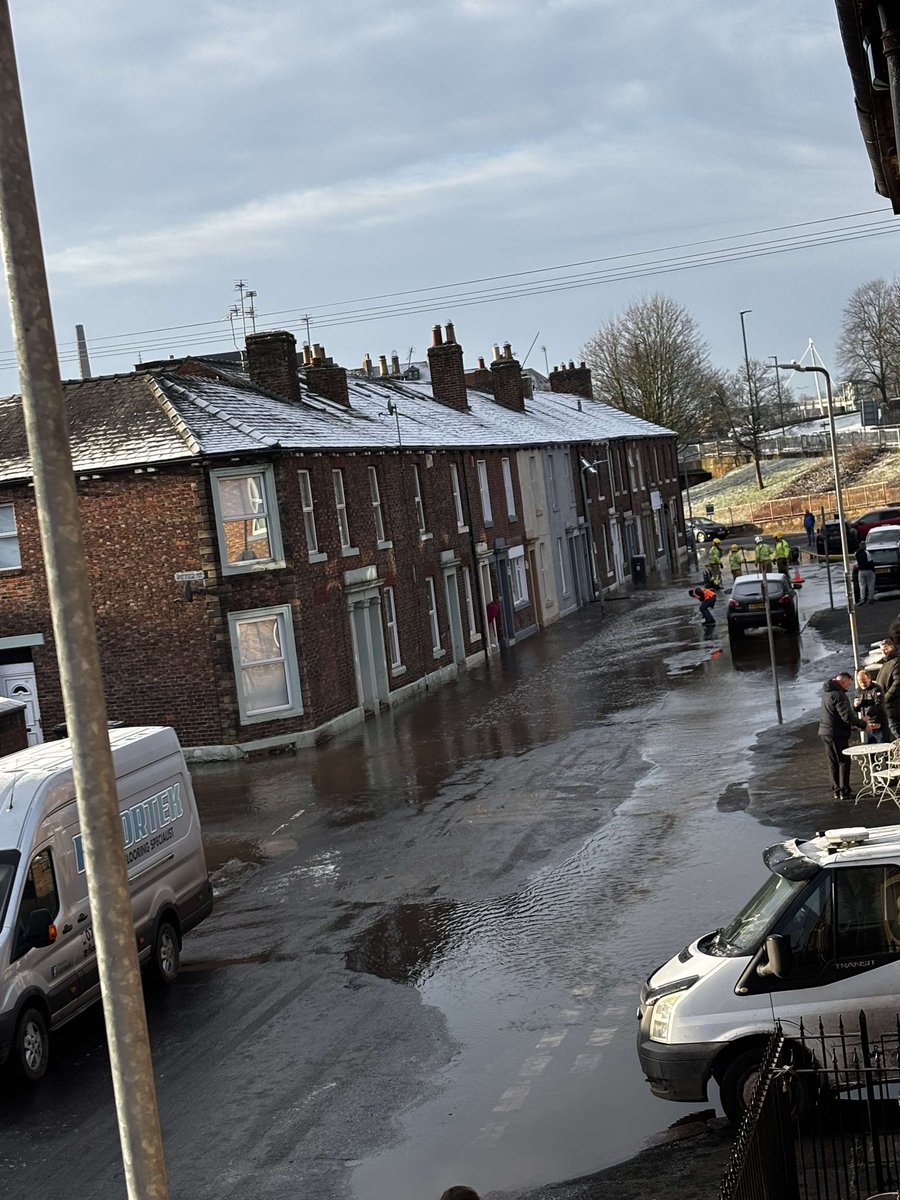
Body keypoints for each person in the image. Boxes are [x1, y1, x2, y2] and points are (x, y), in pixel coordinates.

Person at [818, 672, 867, 799]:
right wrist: (863, 724)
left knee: (833, 761)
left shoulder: (827, 693)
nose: (849, 687)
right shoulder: (839, 695)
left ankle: (836, 790)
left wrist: (850, 727)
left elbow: (834, 716)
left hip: (826, 732)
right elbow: (847, 716)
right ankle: (844, 790)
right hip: (836, 733)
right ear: (844, 681)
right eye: (849, 684)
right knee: (843, 761)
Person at [876, 638, 900, 739]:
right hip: (890, 706)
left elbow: (898, 683)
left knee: (895, 728)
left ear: (892, 647)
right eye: (882, 650)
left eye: (885, 649)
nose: (884, 652)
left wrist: (885, 698)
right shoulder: (887, 662)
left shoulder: (896, 662)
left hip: (893, 705)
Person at [853, 668, 885, 743]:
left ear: (869, 679)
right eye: (860, 682)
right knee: (871, 747)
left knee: (883, 746)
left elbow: (879, 705)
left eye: (865, 682)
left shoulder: (876, 689)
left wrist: (868, 715)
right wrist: (855, 705)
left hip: (878, 722)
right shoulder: (858, 690)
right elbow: (857, 710)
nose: (863, 684)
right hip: (868, 724)